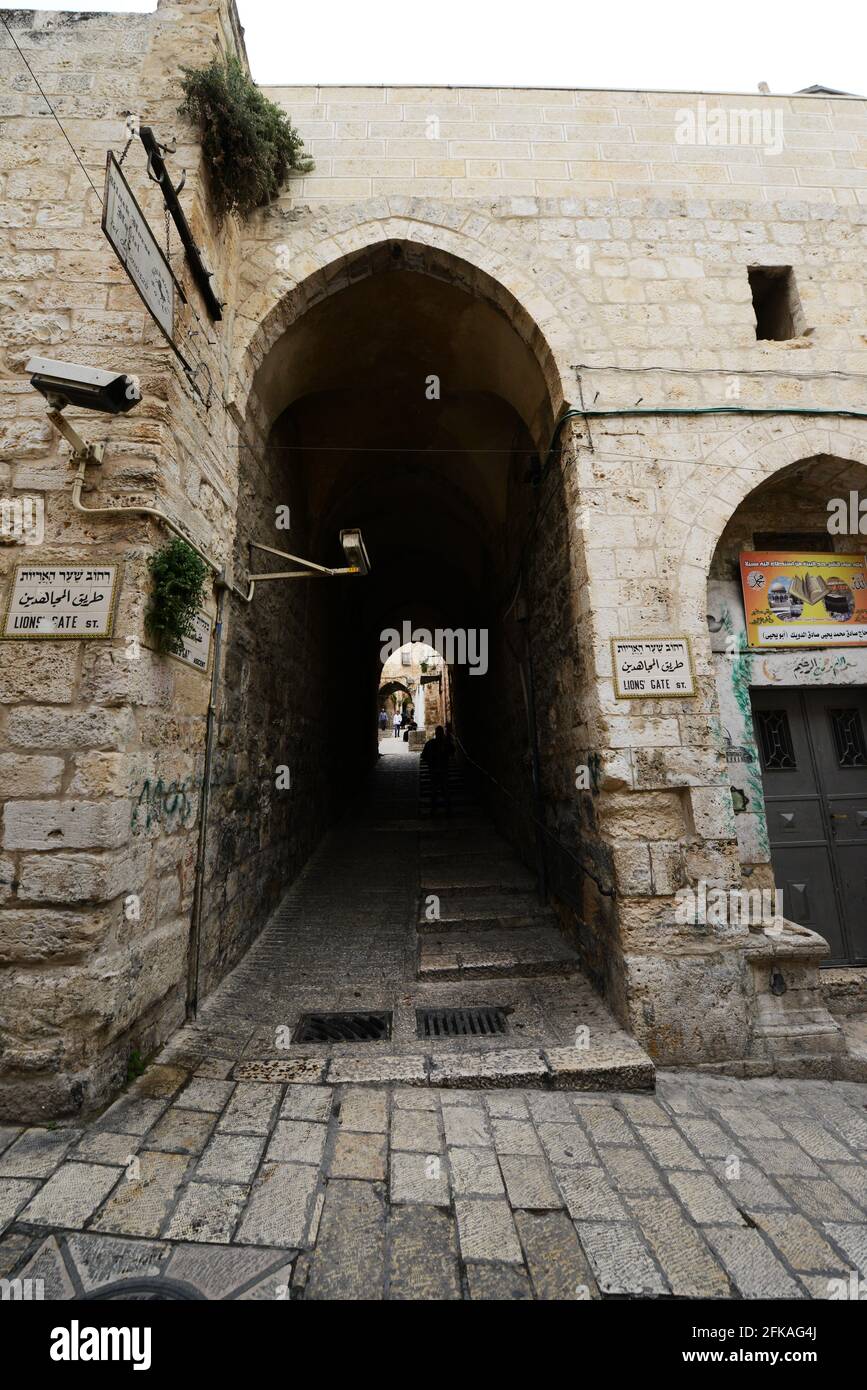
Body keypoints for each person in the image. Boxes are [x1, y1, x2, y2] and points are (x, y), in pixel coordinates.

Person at [421, 724, 452, 815]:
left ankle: (434, 809)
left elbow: (424, 756)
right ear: (442, 733)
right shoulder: (446, 743)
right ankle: (447, 810)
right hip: (442, 771)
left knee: (435, 791)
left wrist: (430, 764)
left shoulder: (430, 743)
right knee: (444, 790)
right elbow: (452, 752)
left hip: (434, 771)